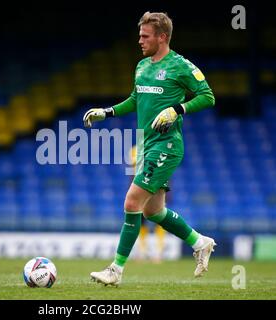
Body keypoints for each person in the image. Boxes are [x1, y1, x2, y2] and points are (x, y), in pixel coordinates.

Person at [83, 12, 216, 286]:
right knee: (152, 212)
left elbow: (208, 96)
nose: (140, 40)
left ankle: (115, 270)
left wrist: (176, 109)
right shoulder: (142, 66)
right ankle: (200, 242)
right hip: (146, 145)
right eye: (140, 35)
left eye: (145, 36)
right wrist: (106, 112)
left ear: (162, 37)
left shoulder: (181, 66)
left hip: (166, 145)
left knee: (132, 201)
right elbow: (135, 99)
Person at [130, 145, 167, 263]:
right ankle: (141, 252)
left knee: (160, 221)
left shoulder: (160, 147)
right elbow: (134, 171)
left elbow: (165, 169)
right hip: (140, 188)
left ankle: (158, 253)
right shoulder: (135, 150)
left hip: (156, 186)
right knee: (140, 223)